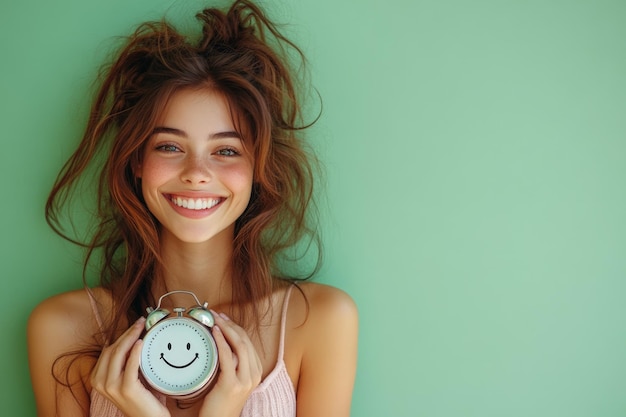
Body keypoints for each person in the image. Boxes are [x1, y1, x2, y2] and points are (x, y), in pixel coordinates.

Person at [27, 1, 358, 416]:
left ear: (258, 167)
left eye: (225, 150)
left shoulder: (319, 321)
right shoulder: (63, 328)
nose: (197, 173)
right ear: (136, 161)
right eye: (169, 146)